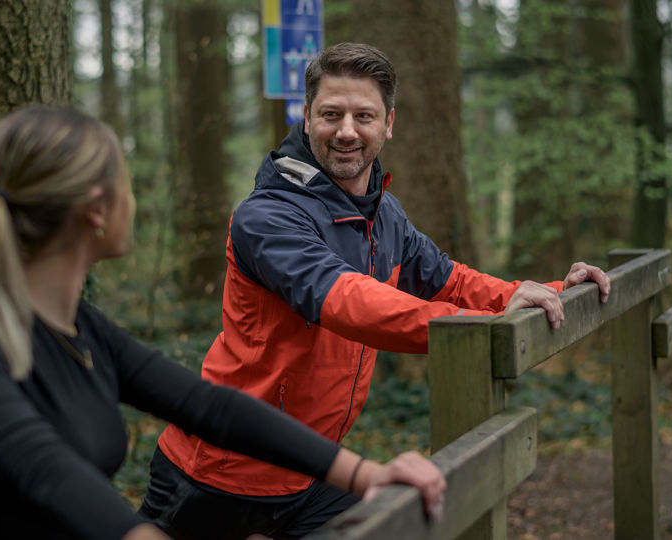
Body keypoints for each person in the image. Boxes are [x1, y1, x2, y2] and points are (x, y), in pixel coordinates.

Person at [0, 106, 445, 540]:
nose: (133, 201)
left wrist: (362, 473)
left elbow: (210, 407)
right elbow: (44, 470)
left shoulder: (82, 329)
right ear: (97, 210)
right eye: (125, 183)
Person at [140, 42, 612, 540]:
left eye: (363, 115)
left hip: (311, 471)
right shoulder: (267, 217)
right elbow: (346, 301)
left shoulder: (383, 214)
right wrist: (473, 328)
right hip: (220, 471)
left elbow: (448, 279)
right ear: (306, 118)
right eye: (331, 114)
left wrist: (548, 290)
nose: (347, 131)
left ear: (388, 123)